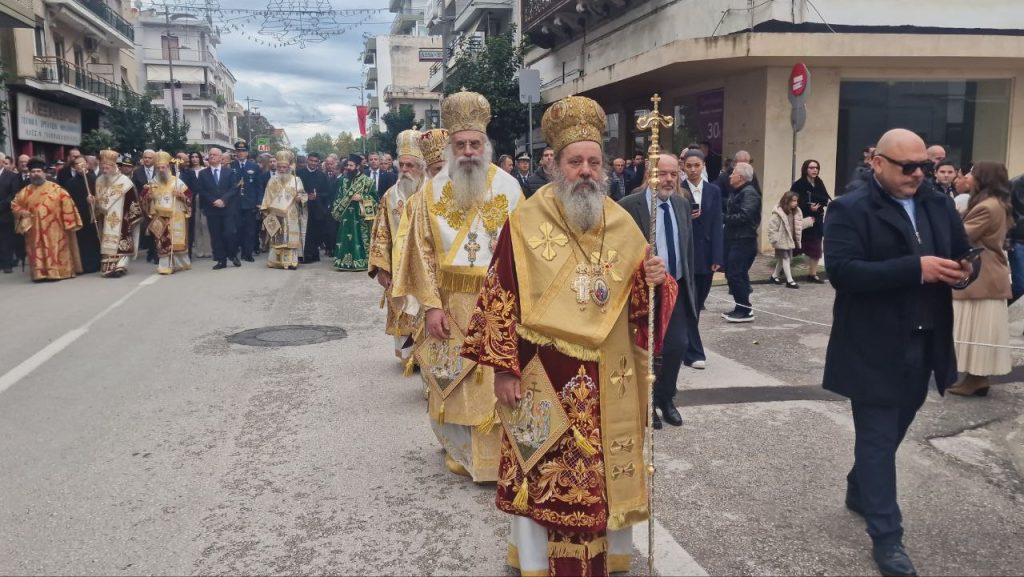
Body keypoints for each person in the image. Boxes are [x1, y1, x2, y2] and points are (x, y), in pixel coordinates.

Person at [460, 95, 672, 576]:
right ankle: (539, 562)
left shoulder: (621, 222)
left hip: (606, 376)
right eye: (575, 161)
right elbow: (500, 296)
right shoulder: (526, 222)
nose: (586, 171)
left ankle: (603, 557)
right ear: (555, 163)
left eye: (594, 161)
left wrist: (652, 280)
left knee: (596, 476)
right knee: (543, 472)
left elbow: (643, 307)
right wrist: (503, 370)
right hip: (542, 372)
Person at [823, 128, 976, 577]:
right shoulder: (849, 208)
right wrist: (917, 269)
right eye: (907, 167)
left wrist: (964, 269)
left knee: (893, 432)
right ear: (877, 162)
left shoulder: (937, 203)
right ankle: (887, 538)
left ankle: (859, 488)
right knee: (877, 438)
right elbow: (844, 272)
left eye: (923, 167)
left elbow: (960, 253)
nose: (916, 175)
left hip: (924, 340)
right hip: (871, 344)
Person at [392, 90, 523, 482]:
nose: (468, 151)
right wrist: (431, 306)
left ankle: (498, 455)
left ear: (486, 145)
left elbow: (527, 249)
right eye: (461, 144)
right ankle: (458, 451)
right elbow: (421, 252)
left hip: (500, 301)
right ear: (450, 146)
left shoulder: (510, 187)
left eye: (475, 143)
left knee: (495, 377)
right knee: (455, 378)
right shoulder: (430, 192)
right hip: (451, 303)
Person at [620, 153, 697, 430]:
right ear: (649, 174)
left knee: (677, 346)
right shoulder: (629, 206)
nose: (667, 179)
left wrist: (691, 289)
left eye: (673, 174)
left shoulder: (681, 204)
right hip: (642, 291)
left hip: (673, 288)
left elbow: (687, 249)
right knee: (646, 350)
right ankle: (647, 403)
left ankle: (666, 398)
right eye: (662, 173)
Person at [949, 161, 1013, 396]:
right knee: (978, 329)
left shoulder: (987, 206)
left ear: (982, 178)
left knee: (978, 329)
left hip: (982, 275)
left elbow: (962, 236)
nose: (966, 176)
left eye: (971, 173)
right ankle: (976, 378)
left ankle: (977, 378)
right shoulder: (995, 203)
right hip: (988, 274)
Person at [368, 129, 425, 362]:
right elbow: (381, 233)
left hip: (428, 269)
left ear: (421, 167)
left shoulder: (433, 194)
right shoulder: (390, 196)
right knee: (404, 310)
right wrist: (381, 267)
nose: (404, 170)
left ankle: (428, 357)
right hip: (399, 268)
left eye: (410, 165)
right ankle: (410, 357)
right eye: (401, 165)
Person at [679, 148, 723, 369]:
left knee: (699, 303)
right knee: (691, 304)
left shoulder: (713, 191)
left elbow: (717, 224)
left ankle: (684, 343)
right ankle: (694, 352)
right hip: (687, 256)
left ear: (704, 165)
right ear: (683, 168)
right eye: (689, 166)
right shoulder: (679, 190)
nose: (693, 170)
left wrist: (718, 255)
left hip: (707, 257)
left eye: (697, 165)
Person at [11, 157, 83, 281]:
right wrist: (22, 212)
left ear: (44, 173)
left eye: (38, 171)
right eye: (33, 172)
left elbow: (68, 204)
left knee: (56, 250)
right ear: (29, 174)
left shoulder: (56, 189)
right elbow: (14, 204)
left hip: (56, 229)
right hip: (34, 230)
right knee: (37, 252)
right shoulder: (25, 191)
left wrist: (69, 221)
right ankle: (40, 274)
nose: (35, 174)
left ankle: (60, 272)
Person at [721, 162, 761, 322]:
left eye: (733, 173)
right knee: (736, 274)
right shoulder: (738, 191)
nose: (730, 176)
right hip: (735, 239)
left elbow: (746, 216)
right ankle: (741, 307)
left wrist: (723, 218)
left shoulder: (749, 193)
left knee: (736, 274)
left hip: (744, 241)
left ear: (742, 177)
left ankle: (744, 309)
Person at [93, 150, 142, 278]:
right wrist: (92, 202)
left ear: (114, 167)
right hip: (105, 217)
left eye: (107, 167)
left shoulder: (125, 181)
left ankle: (120, 266)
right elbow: (98, 201)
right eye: (103, 168)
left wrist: (131, 217)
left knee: (122, 241)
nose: (104, 170)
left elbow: (133, 200)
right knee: (107, 241)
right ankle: (108, 268)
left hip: (122, 217)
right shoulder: (99, 181)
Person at [260, 150, 307, 270]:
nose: (281, 169)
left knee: (290, 240)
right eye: (279, 167)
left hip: (291, 214)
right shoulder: (272, 181)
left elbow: (303, 195)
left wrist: (299, 198)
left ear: (288, 167)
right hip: (276, 215)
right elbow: (267, 197)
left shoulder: (296, 180)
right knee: (277, 239)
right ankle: (277, 262)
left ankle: (291, 262)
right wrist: (267, 211)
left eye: (284, 167)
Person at [147, 151, 192, 275]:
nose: (161, 170)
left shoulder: (177, 181)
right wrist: (148, 197)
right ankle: (164, 265)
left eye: (163, 167)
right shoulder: (153, 182)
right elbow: (144, 197)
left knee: (175, 240)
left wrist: (181, 195)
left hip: (175, 215)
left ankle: (179, 264)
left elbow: (189, 197)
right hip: (159, 217)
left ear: (168, 167)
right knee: (162, 241)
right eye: (158, 168)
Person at [331, 154, 377, 271]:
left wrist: (362, 197)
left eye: (351, 165)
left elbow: (376, 200)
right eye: (347, 165)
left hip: (360, 218)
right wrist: (337, 209)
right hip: (346, 217)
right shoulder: (343, 181)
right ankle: (343, 262)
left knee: (359, 239)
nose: (348, 167)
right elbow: (338, 197)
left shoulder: (368, 182)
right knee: (344, 239)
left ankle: (361, 261)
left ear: (357, 166)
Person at [791, 159, 832, 283]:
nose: (815, 170)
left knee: (816, 247)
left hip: (817, 220)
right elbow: (792, 200)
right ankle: (782, 268)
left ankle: (812, 274)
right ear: (805, 169)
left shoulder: (819, 182)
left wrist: (818, 205)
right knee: (795, 246)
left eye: (816, 168)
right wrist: (808, 207)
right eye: (811, 168)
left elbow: (825, 198)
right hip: (802, 219)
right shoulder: (798, 184)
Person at [198, 147, 239, 270]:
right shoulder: (203, 173)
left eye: (215, 155)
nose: (212, 157)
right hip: (212, 209)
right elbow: (201, 190)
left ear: (221, 158)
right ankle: (221, 260)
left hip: (227, 208)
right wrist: (214, 200)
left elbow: (234, 188)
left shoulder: (229, 172)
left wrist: (223, 200)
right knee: (216, 236)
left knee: (229, 233)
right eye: (210, 155)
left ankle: (232, 255)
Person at [64, 157, 101, 274]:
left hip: (93, 216)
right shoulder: (70, 183)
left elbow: (102, 197)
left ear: (87, 164)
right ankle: (82, 266)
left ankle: (97, 264)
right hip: (79, 216)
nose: (80, 165)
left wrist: (94, 200)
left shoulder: (95, 180)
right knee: (82, 242)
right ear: (74, 167)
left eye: (82, 163)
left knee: (94, 241)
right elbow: (69, 201)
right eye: (77, 164)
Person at [767, 191, 807, 288]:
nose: (795, 203)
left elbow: (798, 225)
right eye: (793, 201)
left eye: (796, 201)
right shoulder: (778, 213)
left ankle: (774, 276)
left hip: (789, 240)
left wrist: (809, 221)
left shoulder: (795, 212)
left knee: (782, 259)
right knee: (786, 258)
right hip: (781, 241)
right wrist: (775, 239)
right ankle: (789, 280)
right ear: (787, 201)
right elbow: (771, 228)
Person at [230, 140, 261, 262]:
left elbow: (259, 186)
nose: (241, 153)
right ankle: (239, 250)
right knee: (238, 229)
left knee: (250, 230)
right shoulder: (231, 166)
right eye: (238, 151)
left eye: (243, 151)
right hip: (236, 203)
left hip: (250, 203)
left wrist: (259, 201)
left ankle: (247, 253)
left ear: (247, 153)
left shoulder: (254, 167)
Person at [297, 152, 329, 263]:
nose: (313, 163)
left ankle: (313, 254)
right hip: (302, 208)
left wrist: (317, 196)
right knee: (304, 231)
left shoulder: (322, 175)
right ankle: (303, 254)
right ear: (307, 160)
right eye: (311, 160)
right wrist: (304, 197)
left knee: (315, 232)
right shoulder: (299, 173)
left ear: (318, 162)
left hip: (316, 208)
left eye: (316, 161)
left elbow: (327, 193)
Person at [132, 149, 159, 263]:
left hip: (157, 205)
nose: (147, 160)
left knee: (157, 228)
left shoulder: (159, 170)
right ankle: (150, 251)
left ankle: (156, 252)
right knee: (147, 229)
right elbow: (135, 189)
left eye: (149, 158)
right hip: (144, 205)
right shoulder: (137, 172)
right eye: (145, 157)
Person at [0, 153, 24, 273]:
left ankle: (7, 264)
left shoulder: (11, 176)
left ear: (2, 161)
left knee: (5, 240)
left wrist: (2, 206)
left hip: (5, 213)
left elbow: (14, 194)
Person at [1009, 174, 1024, 303]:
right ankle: (1004, 311)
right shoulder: (1015, 184)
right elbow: (1007, 212)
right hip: (1018, 241)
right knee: (1020, 285)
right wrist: (1008, 239)